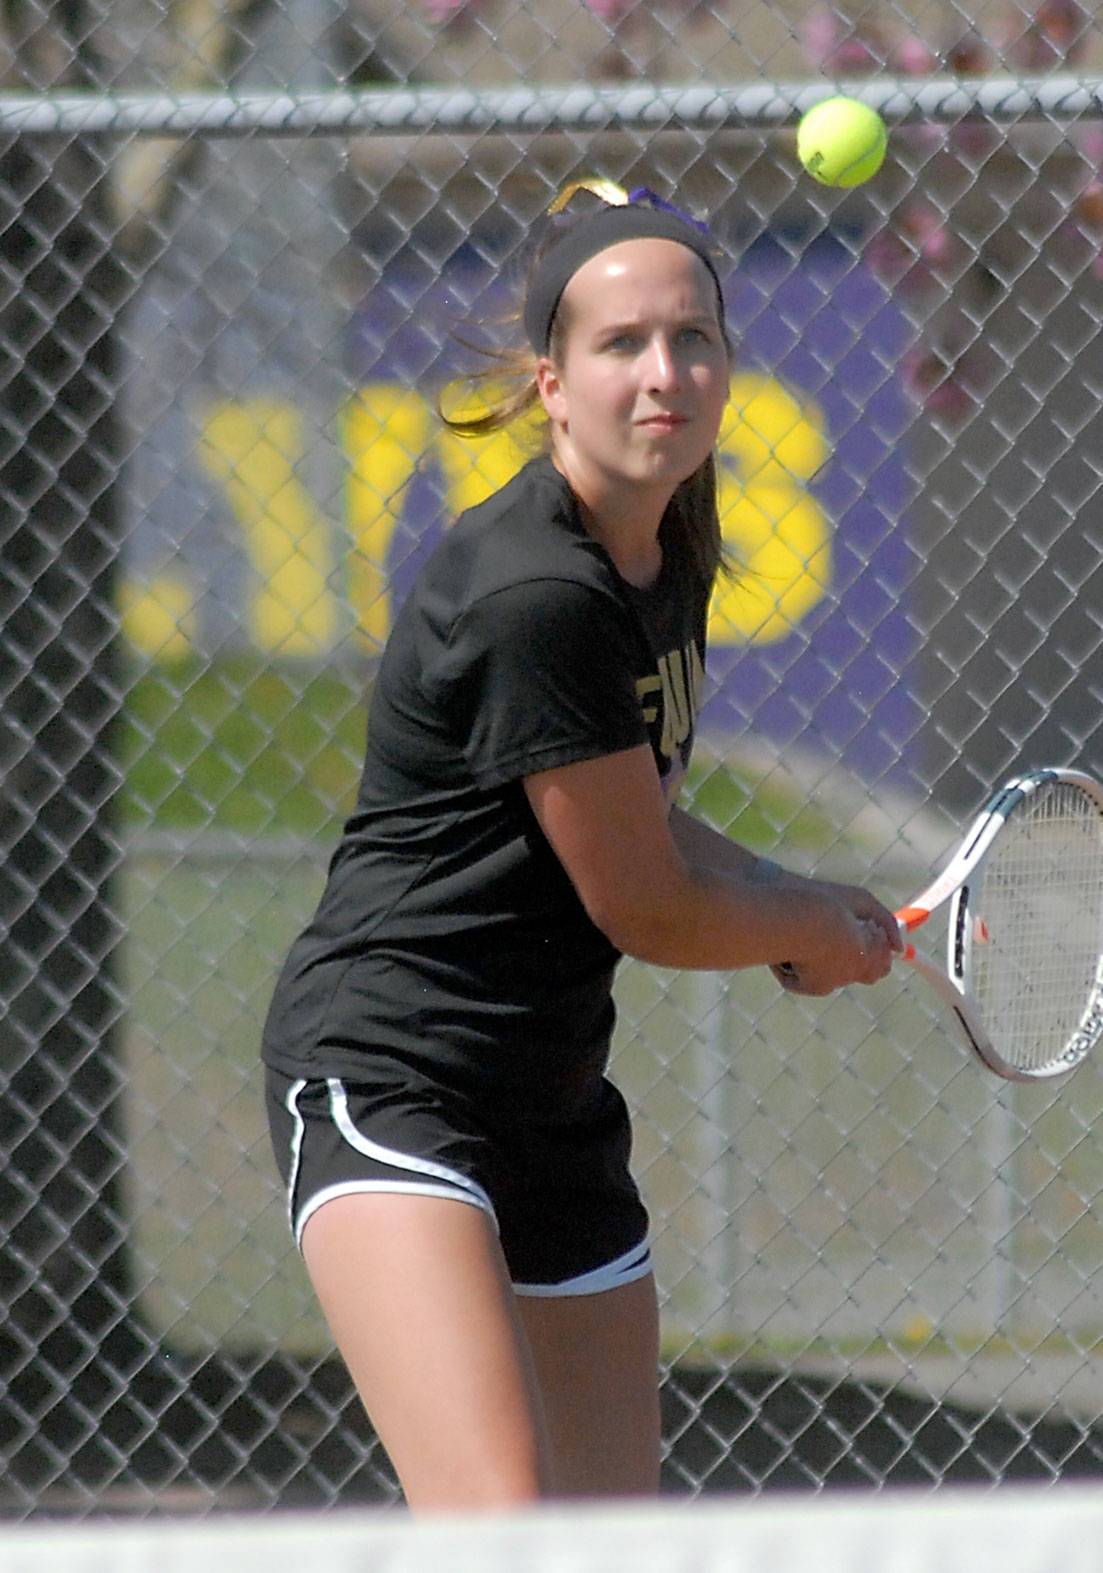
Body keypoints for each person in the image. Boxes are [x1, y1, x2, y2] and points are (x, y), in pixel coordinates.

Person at [259, 180, 901, 1513]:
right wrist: (799, 931)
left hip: (550, 1104)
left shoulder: (673, 543)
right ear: (552, 382)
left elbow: (640, 808)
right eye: (620, 345)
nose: (664, 372)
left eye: (695, 339)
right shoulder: (535, 591)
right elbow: (647, 904)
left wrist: (815, 900)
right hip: (391, 1086)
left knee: (612, 1540)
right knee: (500, 1529)